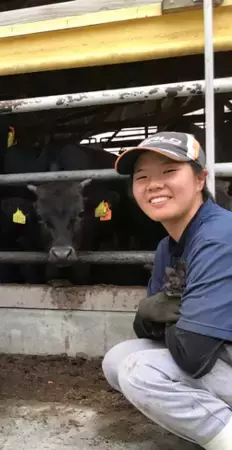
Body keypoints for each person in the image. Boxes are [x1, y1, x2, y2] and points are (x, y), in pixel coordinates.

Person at [102, 131, 232, 450]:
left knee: (141, 372)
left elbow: (193, 353)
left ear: (200, 179)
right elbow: (146, 328)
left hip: (210, 352)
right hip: (219, 352)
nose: (154, 185)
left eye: (169, 171)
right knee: (118, 360)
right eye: (142, 176)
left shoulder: (218, 237)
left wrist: (164, 311)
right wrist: (162, 312)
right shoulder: (169, 246)